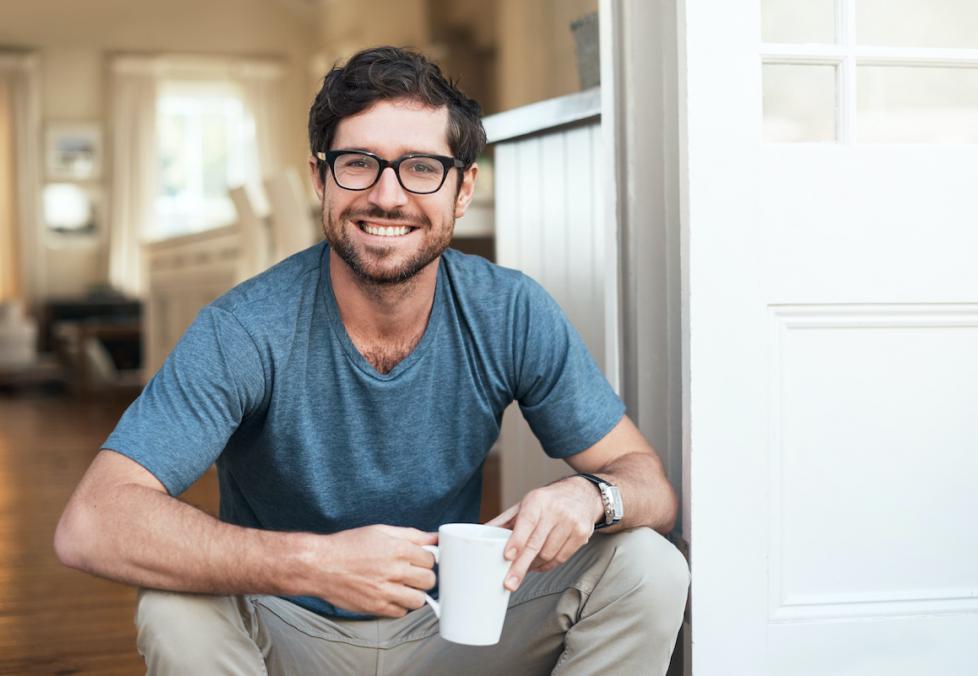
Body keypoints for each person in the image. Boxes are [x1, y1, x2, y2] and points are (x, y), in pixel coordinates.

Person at [54, 46, 689, 675]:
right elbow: (91, 523)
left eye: (421, 168)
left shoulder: (510, 310)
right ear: (319, 179)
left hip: (451, 631)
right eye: (359, 163)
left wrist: (590, 496)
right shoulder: (243, 329)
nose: (388, 196)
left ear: (463, 188)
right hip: (284, 635)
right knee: (172, 601)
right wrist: (316, 564)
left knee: (647, 565)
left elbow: (648, 486)